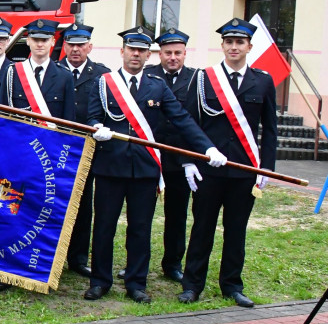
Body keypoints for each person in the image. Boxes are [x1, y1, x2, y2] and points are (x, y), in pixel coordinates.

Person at [86, 27, 224, 304]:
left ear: (148, 55)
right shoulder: (103, 83)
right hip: (111, 167)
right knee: (103, 227)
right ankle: (100, 281)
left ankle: (136, 283)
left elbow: (182, 119)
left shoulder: (157, 85)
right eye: (131, 49)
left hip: (145, 169)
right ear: (122, 51)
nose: (135, 54)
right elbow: (91, 117)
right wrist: (95, 127)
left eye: (141, 50)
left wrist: (206, 147)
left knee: (140, 228)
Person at [179, 19, 277, 308]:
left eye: (239, 42)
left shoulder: (263, 80)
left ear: (249, 46)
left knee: (236, 230)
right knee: (202, 228)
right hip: (210, 170)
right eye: (229, 42)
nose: (234, 47)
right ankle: (192, 285)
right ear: (222, 45)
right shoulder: (202, 79)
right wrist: (188, 161)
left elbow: (270, 129)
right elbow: (189, 123)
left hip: (245, 171)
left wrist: (266, 168)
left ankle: (232, 286)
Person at [143, 28, 198, 282]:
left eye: (178, 53)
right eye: (168, 53)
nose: (172, 57)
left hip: (180, 160)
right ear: (159, 54)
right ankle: (137, 262)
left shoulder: (197, 80)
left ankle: (173, 263)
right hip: (150, 156)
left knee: (177, 214)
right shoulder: (147, 75)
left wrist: (191, 158)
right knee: (141, 214)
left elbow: (195, 122)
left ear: (185, 53)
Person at [57, 23, 110, 278]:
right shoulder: (54, 71)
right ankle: (54, 254)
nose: (75, 49)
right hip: (55, 148)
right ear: (64, 46)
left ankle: (77, 258)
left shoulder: (102, 75)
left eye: (81, 44)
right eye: (71, 44)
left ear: (90, 46)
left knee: (83, 204)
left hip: (87, 149)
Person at [0, 19, 74, 121]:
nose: (40, 44)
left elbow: (69, 120)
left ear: (53, 42)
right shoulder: (12, 72)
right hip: (20, 135)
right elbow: (2, 114)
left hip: (51, 136)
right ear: (28, 41)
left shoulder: (64, 76)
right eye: (35, 39)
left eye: (45, 40)